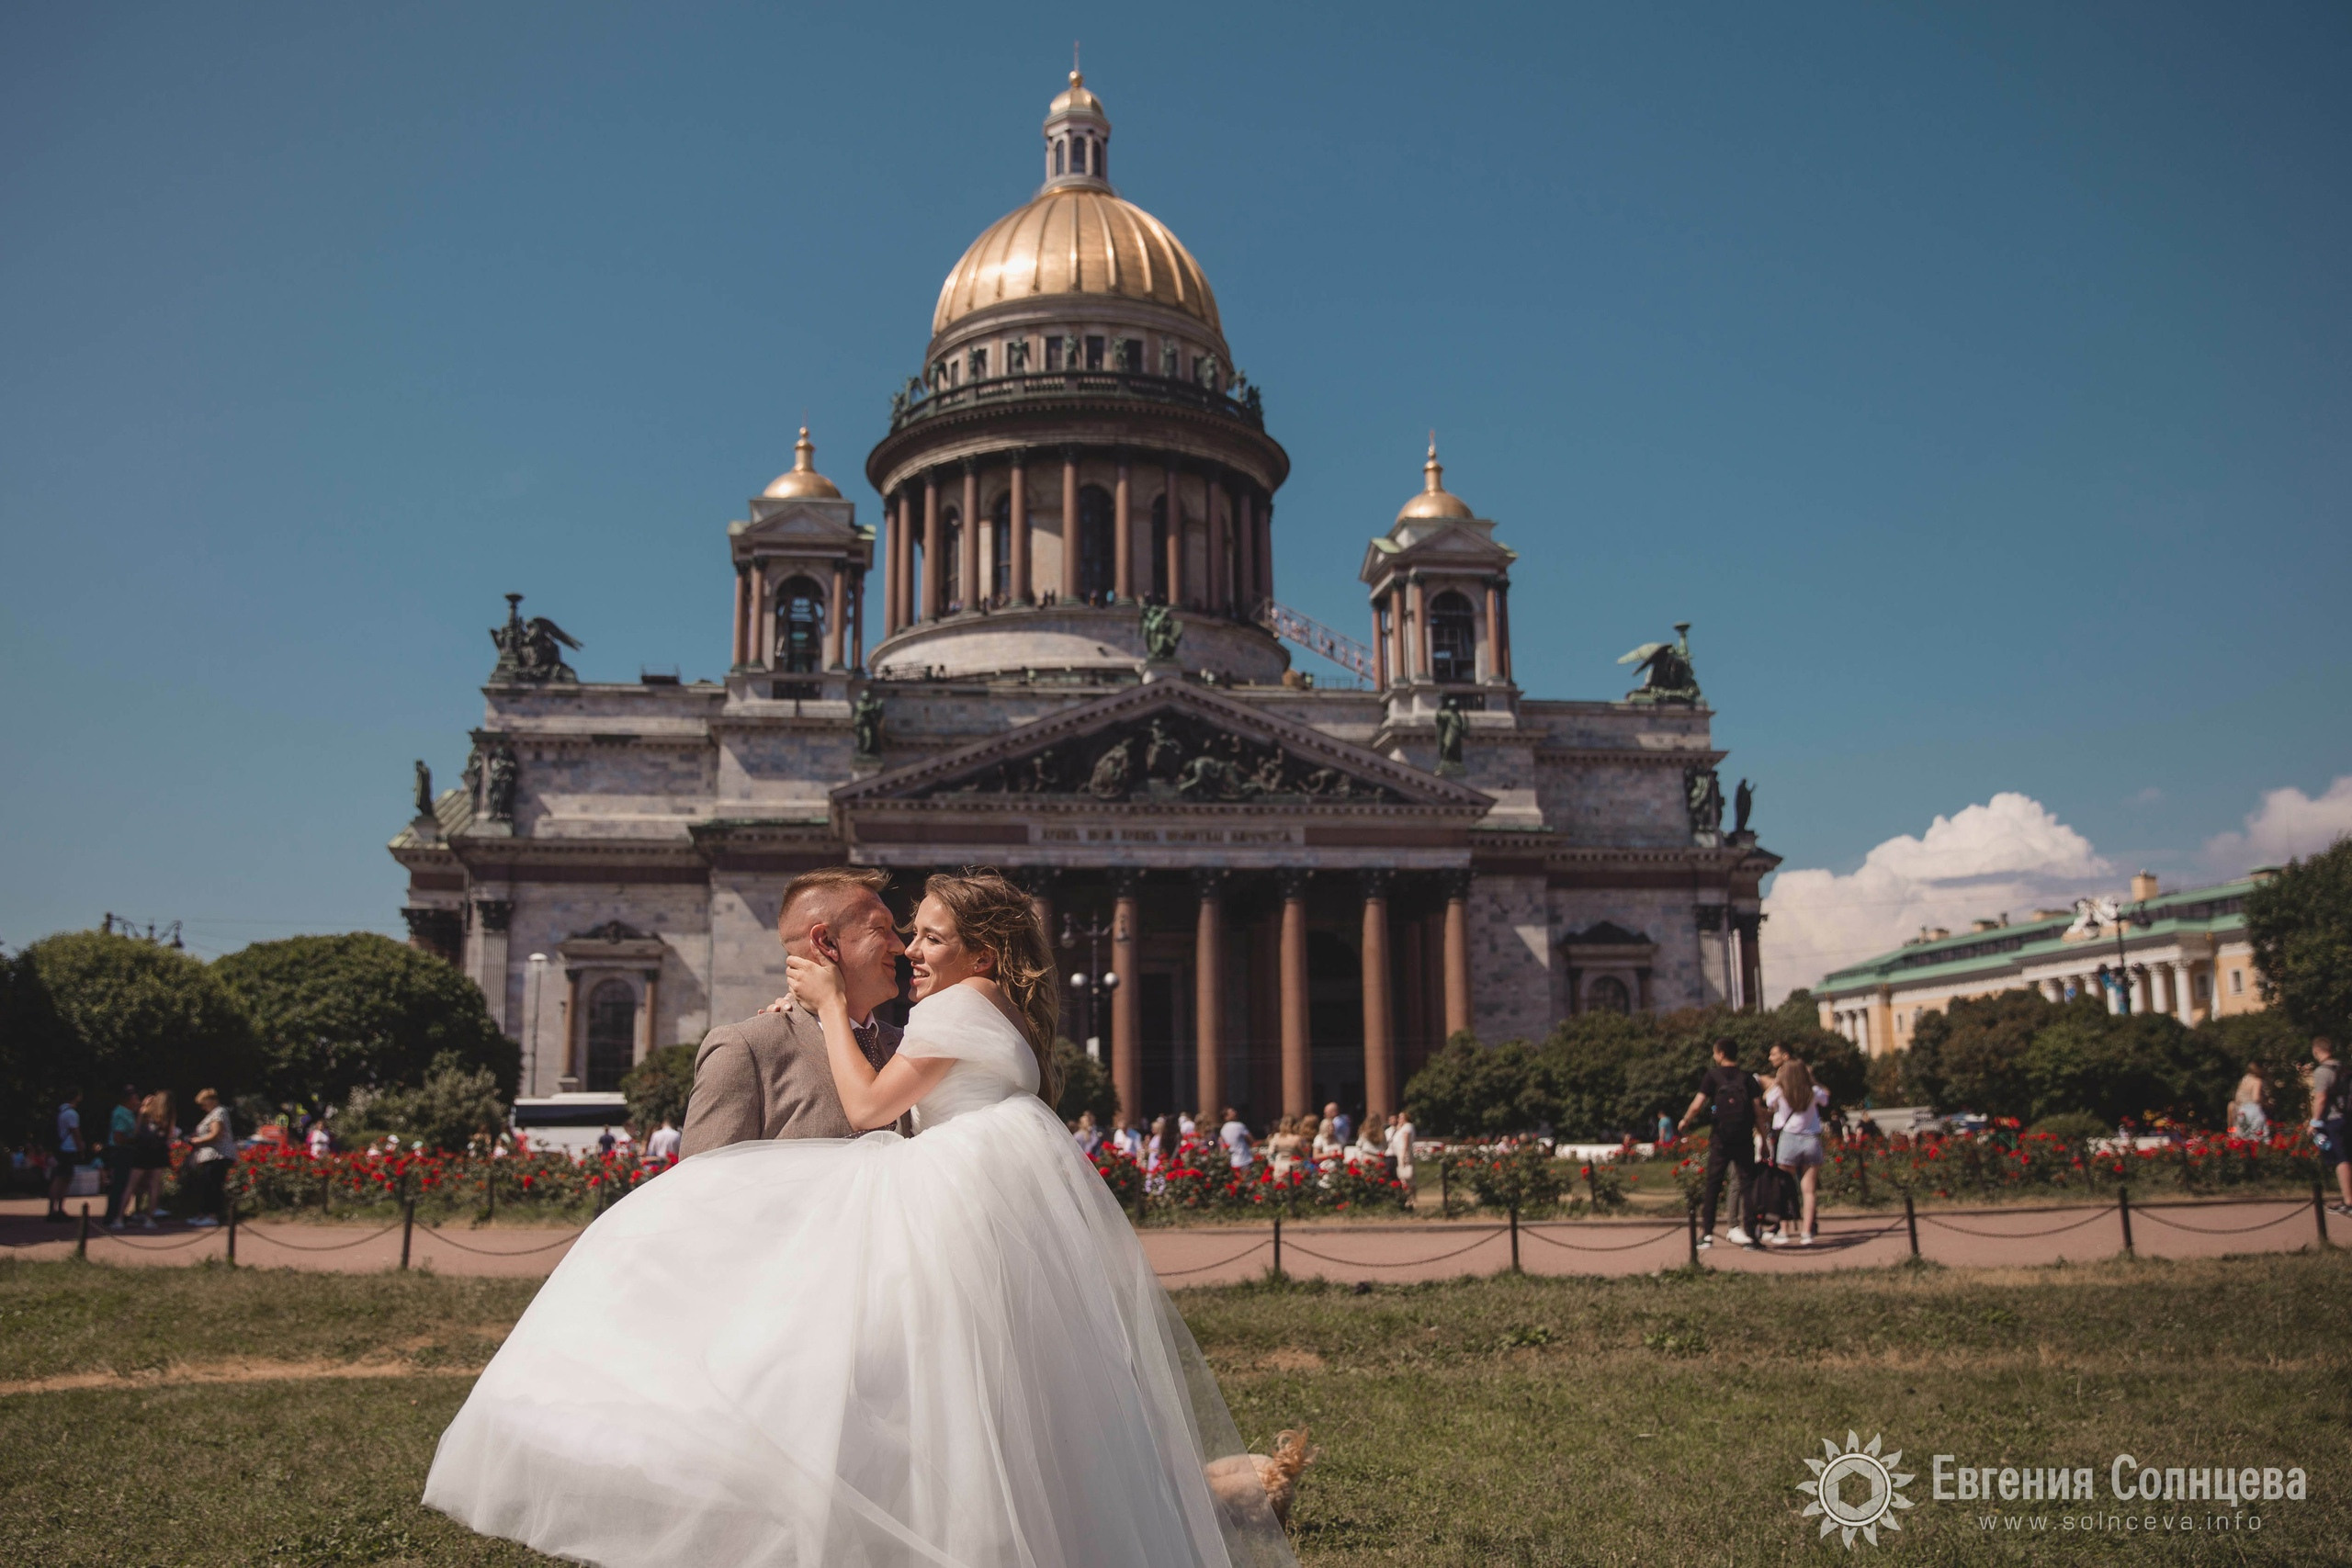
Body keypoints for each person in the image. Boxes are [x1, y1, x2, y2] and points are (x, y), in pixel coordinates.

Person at [424, 870, 1295, 1567]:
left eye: (925, 933)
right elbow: (709, 1183)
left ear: (980, 950)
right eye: (894, 928)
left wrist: (833, 1011)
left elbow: (874, 1107)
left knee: (971, 1406)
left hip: (922, 1236)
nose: (908, 945)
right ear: (824, 944)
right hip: (831, 1267)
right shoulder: (763, 1040)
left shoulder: (925, 1018)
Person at [682, 866, 912, 1157]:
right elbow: (701, 1179)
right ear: (825, 941)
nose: (899, 946)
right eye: (880, 929)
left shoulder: (906, 1047)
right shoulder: (747, 1050)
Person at [1677, 1040, 1763, 1249]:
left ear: (1721, 1054)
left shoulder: (1712, 1076)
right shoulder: (1748, 1078)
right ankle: (1751, 1235)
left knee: (1713, 1184)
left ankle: (1707, 1233)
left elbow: (1697, 1105)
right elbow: (1758, 1112)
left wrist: (1685, 1120)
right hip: (1744, 1138)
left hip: (1720, 1138)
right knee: (1747, 1184)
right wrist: (1764, 1136)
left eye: (1715, 1052)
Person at [1764, 1044, 1827, 1246]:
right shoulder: (1812, 1090)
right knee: (1808, 1190)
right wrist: (1811, 1079)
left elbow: (1767, 1101)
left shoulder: (1781, 1090)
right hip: (1811, 1139)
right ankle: (1807, 1232)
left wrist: (1778, 1081)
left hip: (1789, 1139)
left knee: (1784, 1187)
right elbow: (1825, 1099)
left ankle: (1784, 1231)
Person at [2310, 1037, 2352, 1217]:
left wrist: (2314, 1121)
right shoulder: (2343, 1068)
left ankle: (2349, 1201)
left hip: (2333, 1119)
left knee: (2341, 1159)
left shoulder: (2322, 1071)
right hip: (2347, 1117)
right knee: (2348, 1156)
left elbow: (2321, 1098)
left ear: (2316, 1050)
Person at [185, 1089, 235, 1228]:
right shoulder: (212, 1114)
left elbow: (215, 1134)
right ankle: (203, 1214)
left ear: (211, 1100)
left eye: (203, 1103)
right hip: (209, 1156)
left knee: (213, 1186)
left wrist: (197, 1140)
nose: (202, 1107)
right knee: (206, 1185)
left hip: (218, 1155)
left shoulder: (219, 1112)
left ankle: (212, 1216)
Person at [44, 1089, 85, 1222]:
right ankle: (57, 1209)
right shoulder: (71, 1113)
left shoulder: (60, 1111)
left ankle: (54, 1209)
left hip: (60, 1148)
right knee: (62, 1179)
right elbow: (75, 1133)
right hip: (68, 1149)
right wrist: (81, 1148)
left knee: (62, 1178)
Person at [102, 1085, 139, 1228]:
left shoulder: (129, 1113)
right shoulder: (121, 1113)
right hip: (121, 1151)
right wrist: (134, 1140)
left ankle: (120, 1213)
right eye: (135, 1098)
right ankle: (113, 1216)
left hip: (125, 1150)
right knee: (119, 1183)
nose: (137, 1101)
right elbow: (118, 1136)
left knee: (124, 1183)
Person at [2229, 1062, 2269, 1139]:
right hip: (2252, 1110)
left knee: (2243, 1137)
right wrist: (2265, 1103)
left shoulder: (2244, 1080)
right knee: (2259, 1137)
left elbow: (2238, 1097)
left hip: (2241, 1110)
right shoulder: (2257, 1081)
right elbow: (2256, 1098)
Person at [1387, 1107, 1418, 1199]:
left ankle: (1410, 1196)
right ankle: (1409, 1196)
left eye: (1401, 1117)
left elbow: (1406, 1141)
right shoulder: (1402, 1127)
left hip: (1403, 1153)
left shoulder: (1407, 1127)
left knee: (1406, 1175)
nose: (1399, 1119)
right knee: (1404, 1176)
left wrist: (1404, 1154)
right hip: (1399, 1153)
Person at [1218, 1107, 1253, 1171]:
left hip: (1233, 1161)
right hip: (1244, 1159)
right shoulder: (1239, 1126)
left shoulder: (1222, 1129)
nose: (1235, 1113)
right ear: (1226, 1117)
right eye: (1232, 1112)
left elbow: (1222, 1145)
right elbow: (1250, 1140)